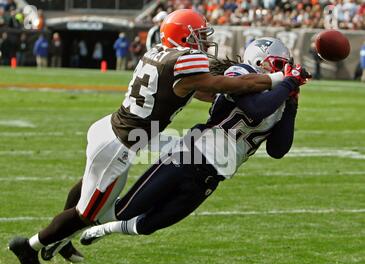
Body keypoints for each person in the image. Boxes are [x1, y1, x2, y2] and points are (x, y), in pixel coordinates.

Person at [9, 10, 290, 264]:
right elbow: (219, 85)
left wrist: (233, 93)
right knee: (91, 213)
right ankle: (31, 246)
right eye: (199, 36)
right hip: (119, 144)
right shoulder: (185, 60)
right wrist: (279, 79)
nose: (205, 41)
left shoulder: (160, 52)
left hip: (112, 129)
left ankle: (61, 238)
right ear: (184, 36)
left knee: (87, 191)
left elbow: (200, 90)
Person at [80, 37, 310, 243]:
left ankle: (104, 230)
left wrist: (292, 105)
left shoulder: (279, 101)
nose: (285, 72)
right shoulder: (240, 72)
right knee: (126, 210)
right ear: (260, 61)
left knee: (148, 225)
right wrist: (288, 83)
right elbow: (255, 108)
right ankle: (68, 231)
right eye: (280, 65)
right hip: (191, 154)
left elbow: (278, 149)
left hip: (216, 173)